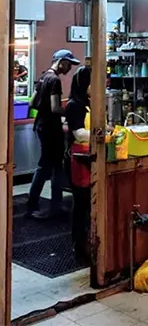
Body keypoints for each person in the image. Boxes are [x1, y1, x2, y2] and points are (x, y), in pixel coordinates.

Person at [26, 49, 80, 219]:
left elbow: (32, 103)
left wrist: (45, 111)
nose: (70, 67)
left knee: (53, 166)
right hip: (51, 128)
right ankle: (33, 206)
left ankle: (54, 205)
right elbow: (55, 107)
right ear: (61, 61)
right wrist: (71, 113)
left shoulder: (43, 77)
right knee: (47, 167)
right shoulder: (55, 80)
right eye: (69, 63)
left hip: (41, 125)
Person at [65, 66, 92, 260]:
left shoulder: (91, 103)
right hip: (78, 161)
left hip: (92, 157)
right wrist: (101, 134)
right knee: (81, 204)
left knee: (91, 203)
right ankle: (79, 246)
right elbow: (79, 133)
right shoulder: (74, 105)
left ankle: (91, 242)